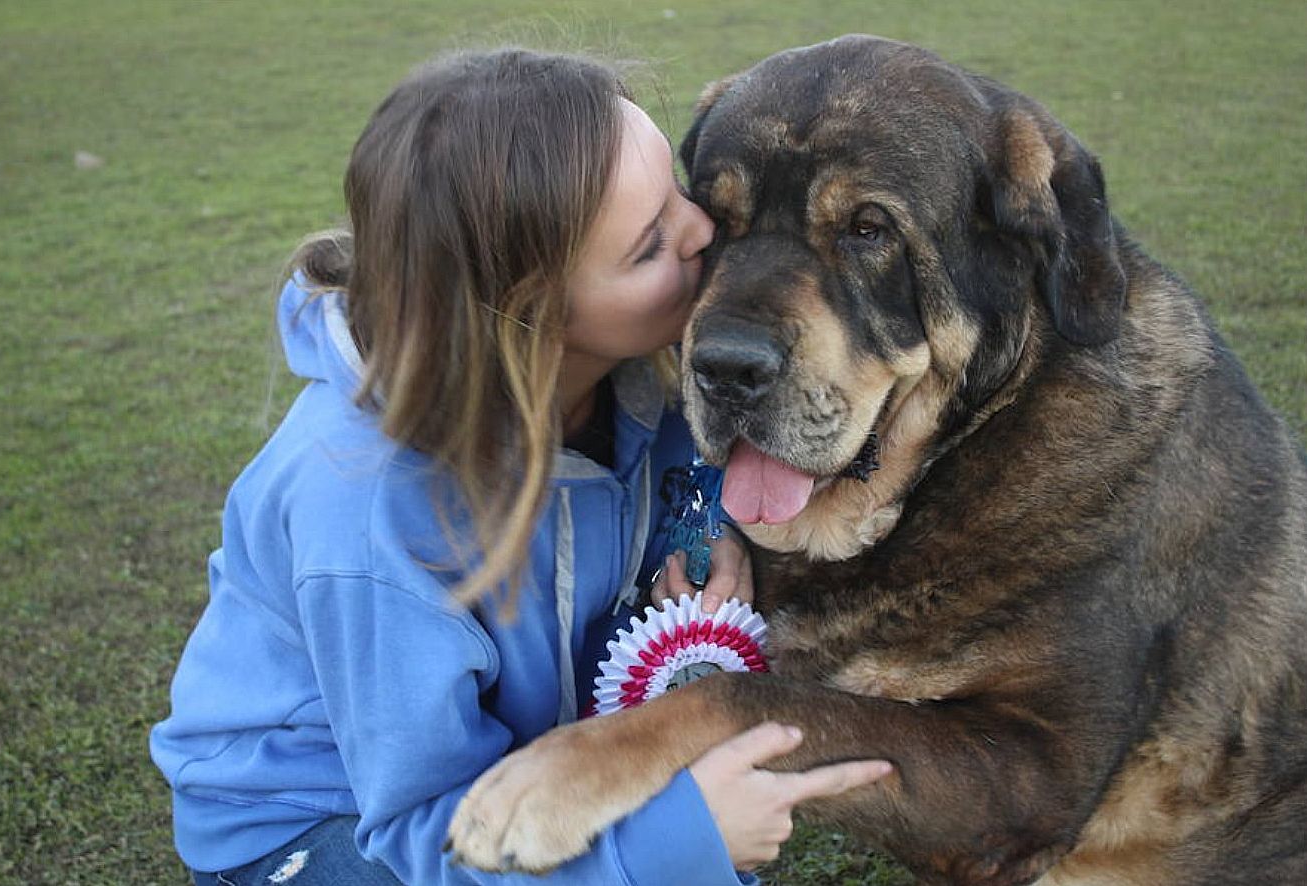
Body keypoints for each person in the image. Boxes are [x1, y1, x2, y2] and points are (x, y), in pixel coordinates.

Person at [150, 48, 892, 886]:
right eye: (650, 245)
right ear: (535, 317)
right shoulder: (368, 516)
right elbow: (426, 832)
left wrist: (704, 523)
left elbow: (689, 463)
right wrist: (678, 844)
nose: (702, 232)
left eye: (677, 194)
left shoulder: (637, 361)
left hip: (532, 748)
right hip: (330, 825)